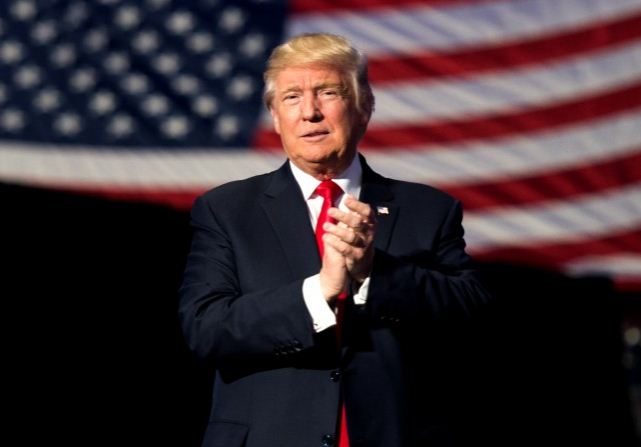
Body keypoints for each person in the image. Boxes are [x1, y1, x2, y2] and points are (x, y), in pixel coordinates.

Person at [179, 33, 493, 447]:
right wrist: (319, 291)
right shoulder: (227, 210)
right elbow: (206, 329)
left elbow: (470, 316)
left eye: (327, 92)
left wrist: (371, 273)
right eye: (291, 97)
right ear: (275, 117)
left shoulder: (428, 210)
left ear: (364, 107)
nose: (309, 112)